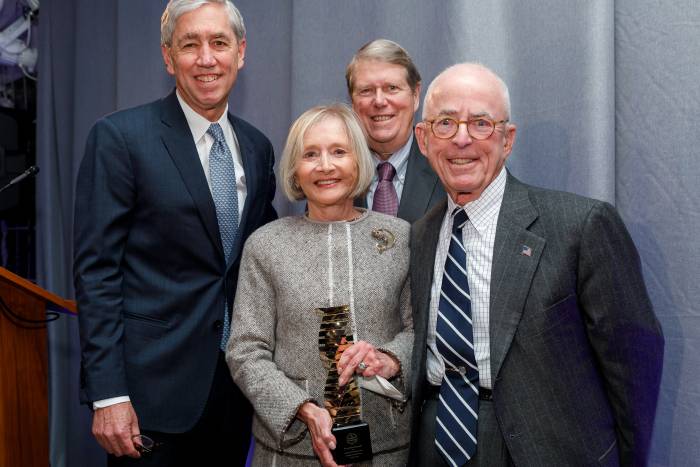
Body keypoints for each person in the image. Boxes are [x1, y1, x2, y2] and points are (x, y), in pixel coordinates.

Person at [408, 63, 664, 466]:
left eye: (481, 123)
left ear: (507, 140)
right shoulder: (420, 236)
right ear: (423, 139)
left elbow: (632, 362)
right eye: (445, 123)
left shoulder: (580, 226)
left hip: (547, 450)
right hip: (436, 442)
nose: (461, 139)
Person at [73, 1, 276, 465]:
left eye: (219, 43)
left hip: (234, 394)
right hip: (149, 401)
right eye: (190, 45)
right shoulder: (120, 138)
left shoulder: (258, 147)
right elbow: (96, 272)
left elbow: (259, 261)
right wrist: (108, 394)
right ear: (168, 57)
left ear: (241, 52)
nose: (207, 58)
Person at [227, 104, 413, 466]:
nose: (325, 166)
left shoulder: (399, 238)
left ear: (359, 161)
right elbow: (246, 351)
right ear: (295, 170)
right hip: (290, 451)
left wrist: (389, 359)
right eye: (310, 154)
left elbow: (420, 331)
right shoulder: (266, 245)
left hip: (386, 449)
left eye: (339, 152)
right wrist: (303, 410)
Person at [346, 39, 444, 222]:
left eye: (392, 88)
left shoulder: (447, 165)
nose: (379, 101)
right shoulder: (335, 174)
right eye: (366, 90)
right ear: (353, 103)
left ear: (415, 96)